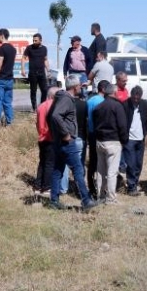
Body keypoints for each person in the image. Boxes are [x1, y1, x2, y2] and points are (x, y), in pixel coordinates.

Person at [47, 75, 98, 211]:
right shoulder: (66, 99)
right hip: (66, 142)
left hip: (59, 141)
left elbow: (50, 116)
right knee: (78, 169)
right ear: (76, 87)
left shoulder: (60, 98)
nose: (81, 88)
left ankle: (54, 200)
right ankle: (86, 200)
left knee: (58, 170)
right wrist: (65, 134)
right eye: (80, 86)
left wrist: (55, 134)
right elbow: (55, 116)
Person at [93, 83, 129, 204]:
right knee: (112, 172)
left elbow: (94, 124)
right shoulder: (117, 106)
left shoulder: (98, 107)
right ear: (114, 93)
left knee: (100, 170)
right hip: (113, 141)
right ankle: (111, 198)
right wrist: (124, 140)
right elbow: (122, 125)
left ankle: (100, 195)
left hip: (100, 141)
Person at [123, 86, 147, 196]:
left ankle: (134, 183)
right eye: (134, 98)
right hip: (129, 139)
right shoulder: (125, 105)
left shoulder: (143, 104)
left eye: (138, 98)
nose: (136, 100)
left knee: (138, 164)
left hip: (140, 139)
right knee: (131, 164)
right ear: (131, 96)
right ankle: (131, 187)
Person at [86, 80, 110, 197]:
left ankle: (91, 186)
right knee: (102, 162)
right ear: (104, 89)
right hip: (100, 134)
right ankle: (102, 187)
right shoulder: (103, 102)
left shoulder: (90, 100)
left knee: (92, 161)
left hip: (90, 133)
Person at [35, 86, 59, 195]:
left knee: (42, 162)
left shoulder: (41, 106)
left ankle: (38, 185)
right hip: (50, 137)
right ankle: (47, 186)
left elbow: (37, 123)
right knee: (50, 163)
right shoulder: (54, 106)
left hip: (41, 137)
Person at [0, 28, 17, 126]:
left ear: (2, 35)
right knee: (7, 103)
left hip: (0, 80)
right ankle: (10, 123)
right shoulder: (13, 49)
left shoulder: (2, 48)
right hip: (9, 79)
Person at [21, 33, 50, 111]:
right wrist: (23, 69)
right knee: (33, 91)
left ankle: (42, 107)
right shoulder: (29, 48)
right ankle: (34, 107)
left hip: (41, 73)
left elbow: (45, 59)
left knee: (44, 90)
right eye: (33, 40)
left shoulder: (44, 49)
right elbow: (23, 58)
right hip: (32, 73)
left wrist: (48, 70)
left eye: (36, 40)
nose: (34, 42)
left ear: (40, 40)